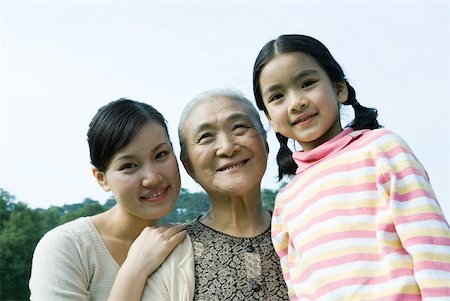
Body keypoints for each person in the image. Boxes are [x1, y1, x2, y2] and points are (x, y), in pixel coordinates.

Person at [252, 34, 450, 300]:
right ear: (270, 119)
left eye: (307, 83)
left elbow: (431, 244)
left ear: (339, 88)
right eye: (277, 96)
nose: (296, 102)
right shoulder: (286, 201)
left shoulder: (381, 148)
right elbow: (297, 287)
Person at [29, 98, 193, 301]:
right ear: (101, 178)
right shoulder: (68, 247)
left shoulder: (187, 242)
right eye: (129, 165)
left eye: (160, 154)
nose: (152, 178)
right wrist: (134, 269)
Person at [176, 88, 289, 300]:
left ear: (265, 144)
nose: (227, 148)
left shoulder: (301, 231)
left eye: (239, 128)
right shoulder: (172, 253)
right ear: (188, 165)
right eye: (206, 137)